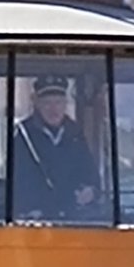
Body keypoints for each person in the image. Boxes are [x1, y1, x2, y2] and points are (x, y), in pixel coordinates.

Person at [13, 75, 101, 220]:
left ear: (65, 104)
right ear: (37, 104)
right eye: (47, 103)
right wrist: (31, 208)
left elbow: (90, 174)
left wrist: (90, 191)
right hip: (35, 217)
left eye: (58, 102)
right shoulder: (23, 135)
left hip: (73, 216)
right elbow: (20, 181)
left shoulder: (75, 134)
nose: (53, 109)